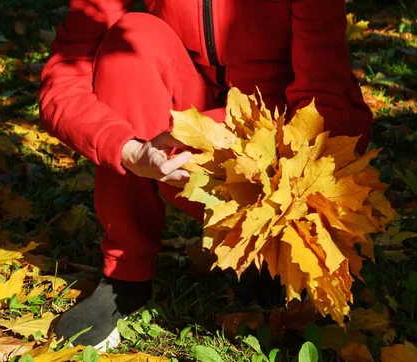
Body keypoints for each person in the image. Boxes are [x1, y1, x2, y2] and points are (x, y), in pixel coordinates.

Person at [39, 0, 374, 350]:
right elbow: (63, 81)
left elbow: (322, 97)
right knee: (132, 38)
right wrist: (126, 148)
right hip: (176, 138)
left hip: (277, 132)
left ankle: (276, 254)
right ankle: (126, 274)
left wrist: (289, 190)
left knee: (318, 130)